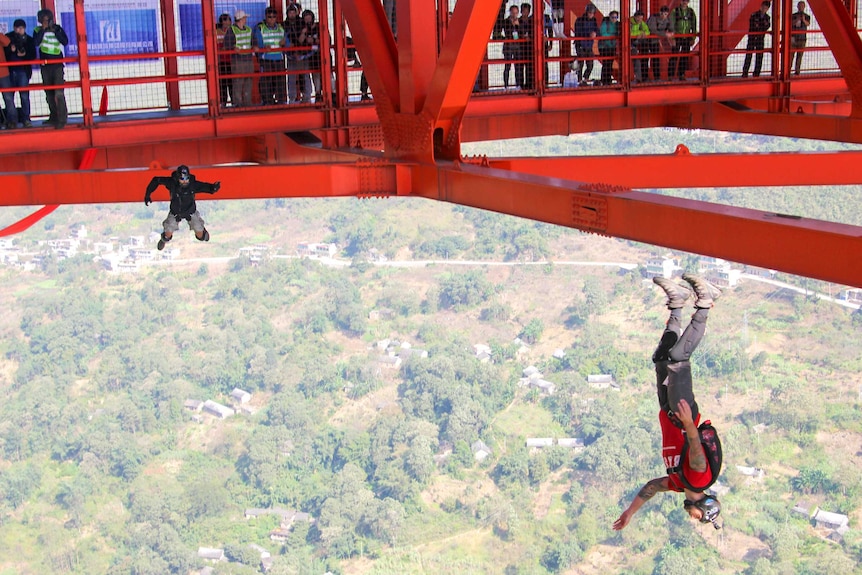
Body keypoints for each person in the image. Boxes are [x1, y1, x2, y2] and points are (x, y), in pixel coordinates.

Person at [612, 273, 723, 531]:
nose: (693, 518)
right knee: (677, 359)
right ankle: (705, 303)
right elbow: (696, 450)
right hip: (682, 414)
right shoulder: (697, 478)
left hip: (669, 412)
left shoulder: (678, 483)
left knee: (662, 358)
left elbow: (651, 487)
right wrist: (688, 422)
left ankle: (677, 302)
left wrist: (630, 512)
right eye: (699, 517)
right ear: (704, 508)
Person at [144, 165, 220, 250]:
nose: (184, 181)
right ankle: (163, 239)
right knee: (167, 234)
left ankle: (203, 231)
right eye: (182, 179)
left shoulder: (192, 185)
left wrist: (214, 188)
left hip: (190, 211)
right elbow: (156, 180)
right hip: (175, 212)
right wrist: (148, 194)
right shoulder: (172, 183)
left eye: (186, 179)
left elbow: (206, 187)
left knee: (200, 236)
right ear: (177, 179)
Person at [33, 9, 68, 129]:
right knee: (48, 93)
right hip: (45, 65)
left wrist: (56, 31)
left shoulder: (58, 28)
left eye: (48, 19)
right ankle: (53, 116)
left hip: (57, 65)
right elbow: (36, 43)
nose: (46, 22)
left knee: (58, 93)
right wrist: (43, 30)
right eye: (43, 20)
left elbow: (65, 41)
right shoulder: (37, 30)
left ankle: (62, 119)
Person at [5, 20, 35, 128]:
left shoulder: (29, 40)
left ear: (25, 29)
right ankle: (12, 120)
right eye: (17, 28)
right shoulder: (8, 38)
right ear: (13, 28)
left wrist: (24, 54)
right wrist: (10, 50)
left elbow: (33, 55)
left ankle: (26, 119)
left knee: (24, 96)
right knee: (9, 97)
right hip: (9, 72)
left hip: (23, 71)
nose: (19, 30)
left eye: (21, 28)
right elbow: (3, 54)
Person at [255, 7, 288, 105]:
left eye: (274, 17)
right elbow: (257, 42)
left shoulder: (281, 28)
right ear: (266, 17)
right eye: (269, 17)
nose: (272, 19)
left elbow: (288, 43)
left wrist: (285, 43)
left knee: (280, 81)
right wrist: (263, 47)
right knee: (266, 81)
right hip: (266, 59)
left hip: (279, 59)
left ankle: (281, 101)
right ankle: (267, 101)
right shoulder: (260, 28)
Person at [223, 10, 254, 107]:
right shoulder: (231, 30)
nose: (246, 19)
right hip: (238, 60)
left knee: (248, 81)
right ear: (240, 19)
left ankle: (247, 103)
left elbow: (254, 41)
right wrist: (233, 47)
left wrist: (255, 46)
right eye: (244, 18)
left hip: (248, 59)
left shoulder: (249, 29)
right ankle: (238, 103)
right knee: (238, 82)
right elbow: (226, 44)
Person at [297, 10, 322, 103]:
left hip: (322, 55)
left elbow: (326, 40)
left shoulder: (319, 27)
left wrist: (314, 40)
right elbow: (300, 41)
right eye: (305, 18)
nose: (307, 19)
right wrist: (303, 33)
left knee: (328, 75)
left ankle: (332, 94)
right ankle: (318, 94)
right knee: (315, 76)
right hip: (310, 57)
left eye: (309, 17)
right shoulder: (303, 29)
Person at [742, 1, 771, 78]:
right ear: (761, 6)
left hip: (760, 39)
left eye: (766, 8)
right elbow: (753, 25)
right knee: (749, 55)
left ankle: (757, 73)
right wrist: (761, 26)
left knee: (759, 56)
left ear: (768, 9)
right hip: (752, 38)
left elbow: (767, 26)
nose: (764, 9)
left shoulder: (767, 17)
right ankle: (745, 72)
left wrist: (759, 26)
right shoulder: (754, 15)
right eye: (763, 7)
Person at [669, 0, 696, 81]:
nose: (685, 2)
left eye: (686, 1)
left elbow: (694, 25)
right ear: (681, 1)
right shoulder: (675, 11)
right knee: (674, 56)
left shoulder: (691, 12)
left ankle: (681, 74)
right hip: (677, 36)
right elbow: (671, 25)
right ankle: (670, 75)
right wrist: (672, 38)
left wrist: (693, 38)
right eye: (683, 0)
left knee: (684, 57)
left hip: (687, 37)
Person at [573, 4, 599, 85]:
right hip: (580, 45)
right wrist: (589, 34)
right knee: (581, 63)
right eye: (590, 13)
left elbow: (597, 30)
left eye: (592, 13)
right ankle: (579, 80)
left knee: (590, 64)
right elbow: (578, 32)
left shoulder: (594, 20)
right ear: (586, 12)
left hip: (589, 45)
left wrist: (595, 33)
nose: (591, 14)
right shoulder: (579, 20)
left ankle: (586, 77)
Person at [284, 4, 305, 102]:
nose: (292, 15)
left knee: (304, 76)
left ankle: (306, 96)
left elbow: (304, 39)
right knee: (291, 77)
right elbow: (283, 39)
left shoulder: (302, 23)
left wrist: (299, 50)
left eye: (293, 12)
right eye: (290, 13)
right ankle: (292, 98)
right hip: (291, 55)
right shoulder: (284, 25)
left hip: (302, 55)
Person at [646, 6, 672, 82]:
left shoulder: (667, 20)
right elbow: (653, 30)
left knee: (656, 58)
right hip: (646, 41)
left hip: (655, 41)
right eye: (663, 14)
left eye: (666, 14)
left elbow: (671, 27)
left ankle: (657, 77)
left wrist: (671, 32)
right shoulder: (653, 18)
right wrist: (665, 34)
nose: (664, 16)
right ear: (660, 13)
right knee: (645, 59)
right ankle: (645, 78)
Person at [501, 4, 523, 90]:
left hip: (517, 46)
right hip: (508, 46)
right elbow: (506, 32)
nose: (514, 15)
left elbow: (522, 33)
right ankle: (506, 86)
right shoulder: (506, 21)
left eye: (516, 13)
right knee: (507, 66)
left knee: (518, 66)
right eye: (513, 13)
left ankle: (518, 84)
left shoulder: (519, 21)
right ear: (510, 12)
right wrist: (512, 25)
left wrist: (518, 25)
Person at [215, 13, 233, 106]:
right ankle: (223, 102)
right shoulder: (216, 32)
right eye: (226, 20)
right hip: (220, 61)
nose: (228, 22)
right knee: (222, 83)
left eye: (229, 20)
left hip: (231, 61)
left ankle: (233, 101)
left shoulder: (233, 31)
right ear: (222, 22)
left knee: (231, 82)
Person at [599, 11, 620, 86]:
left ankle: (608, 80)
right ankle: (604, 80)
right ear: (609, 17)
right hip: (604, 47)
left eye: (616, 17)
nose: (614, 19)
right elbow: (603, 34)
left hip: (612, 46)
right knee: (606, 63)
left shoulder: (618, 24)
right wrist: (612, 37)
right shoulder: (605, 24)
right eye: (613, 17)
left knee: (610, 63)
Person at [790, 1, 810, 76]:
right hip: (794, 38)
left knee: (799, 56)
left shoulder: (807, 16)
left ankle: (797, 71)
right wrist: (797, 19)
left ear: (804, 7)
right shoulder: (793, 15)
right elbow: (790, 23)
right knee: (791, 55)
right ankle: (788, 70)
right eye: (800, 6)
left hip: (802, 38)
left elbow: (808, 24)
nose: (801, 7)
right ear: (797, 7)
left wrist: (803, 20)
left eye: (802, 6)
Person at [630, 10, 650, 82]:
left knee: (645, 57)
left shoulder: (642, 23)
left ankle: (643, 77)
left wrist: (640, 34)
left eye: (641, 18)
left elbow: (648, 31)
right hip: (629, 45)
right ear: (635, 17)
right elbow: (629, 33)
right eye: (638, 18)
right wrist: (639, 34)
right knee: (636, 60)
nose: (640, 20)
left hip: (637, 44)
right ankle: (637, 78)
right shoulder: (630, 23)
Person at [519, 3, 535, 90]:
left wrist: (530, 37)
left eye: (527, 11)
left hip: (529, 47)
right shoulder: (518, 21)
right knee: (520, 67)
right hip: (520, 47)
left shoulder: (531, 21)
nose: (525, 13)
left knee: (529, 66)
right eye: (524, 11)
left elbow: (534, 32)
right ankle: (520, 85)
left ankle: (529, 84)